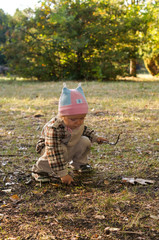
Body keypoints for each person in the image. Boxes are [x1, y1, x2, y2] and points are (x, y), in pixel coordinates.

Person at [32, 83, 108, 184]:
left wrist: (95, 138)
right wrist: (63, 174)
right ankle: (40, 171)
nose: (78, 122)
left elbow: (84, 130)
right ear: (62, 116)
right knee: (60, 150)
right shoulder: (54, 128)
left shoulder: (77, 123)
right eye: (73, 119)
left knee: (85, 141)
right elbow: (54, 151)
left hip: (67, 145)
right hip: (49, 148)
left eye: (82, 118)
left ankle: (79, 164)